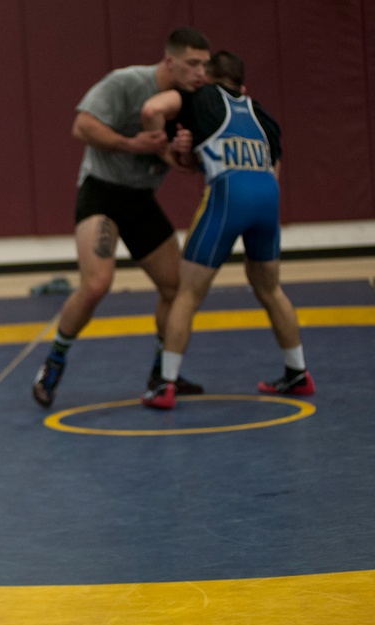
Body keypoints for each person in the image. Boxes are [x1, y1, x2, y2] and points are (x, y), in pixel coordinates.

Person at [32, 27, 212, 408]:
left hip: (141, 199)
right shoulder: (128, 83)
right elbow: (81, 125)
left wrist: (184, 154)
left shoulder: (193, 102)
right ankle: (54, 362)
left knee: (175, 287)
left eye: (205, 65)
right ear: (169, 61)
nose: (200, 73)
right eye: (193, 64)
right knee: (97, 284)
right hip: (103, 191)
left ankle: (162, 374)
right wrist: (131, 144)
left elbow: (188, 165)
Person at [139, 51, 315, 409]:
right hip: (267, 198)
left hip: (229, 194)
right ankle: (298, 373)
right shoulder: (262, 114)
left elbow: (153, 109)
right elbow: (273, 166)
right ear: (243, 85)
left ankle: (166, 384)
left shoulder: (198, 96)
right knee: (270, 288)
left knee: (187, 293)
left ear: (209, 78)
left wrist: (164, 151)